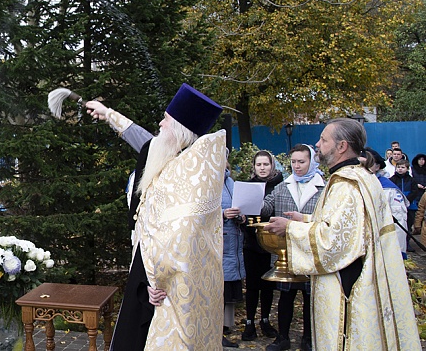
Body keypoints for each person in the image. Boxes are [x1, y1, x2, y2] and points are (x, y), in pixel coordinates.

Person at [85, 83, 225, 350]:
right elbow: (139, 137)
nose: (160, 124)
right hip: (144, 268)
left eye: (166, 120)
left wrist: (157, 278)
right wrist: (107, 113)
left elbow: (183, 234)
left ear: (181, 131)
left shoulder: (190, 174)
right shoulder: (166, 152)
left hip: (164, 284)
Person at [267, 118, 419, 351]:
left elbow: (335, 243)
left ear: (341, 146)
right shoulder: (359, 176)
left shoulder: (347, 184)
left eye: (324, 140)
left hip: (349, 287)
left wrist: (289, 228)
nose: (317, 144)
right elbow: (348, 227)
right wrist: (306, 220)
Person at [259, 144, 324, 351]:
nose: (296, 166)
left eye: (301, 162)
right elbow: (266, 206)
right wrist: (250, 202)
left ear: (312, 161)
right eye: (293, 162)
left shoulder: (325, 187)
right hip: (287, 251)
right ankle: (283, 337)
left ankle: (308, 338)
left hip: (310, 248)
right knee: (285, 295)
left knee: (309, 297)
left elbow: (328, 218)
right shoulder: (283, 186)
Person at [240, 151, 281, 341]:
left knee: (267, 284)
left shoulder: (279, 186)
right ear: (254, 167)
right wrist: (240, 218)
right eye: (259, 165)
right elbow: (241, 212)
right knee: (252, 284)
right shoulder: (247, 186)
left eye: (266, 164)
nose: (262, 168)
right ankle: (249, 322)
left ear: (272, 166)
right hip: (251, 242)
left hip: (272, 242)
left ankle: (265, 320)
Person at [363, 147, 409, 258]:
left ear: (377, 166)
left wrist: (398, 253)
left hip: (382, 251)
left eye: (368, 164)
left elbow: (399, 225)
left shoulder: (388, 189)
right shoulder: (355, 185)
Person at [221, 170, 243, 348]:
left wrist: (241, 216)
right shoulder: (205, 179)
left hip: (233, 242)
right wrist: (222, 214)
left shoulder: (231, 182)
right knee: (218, 290)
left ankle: (224, 327)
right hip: (219, 244)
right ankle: (215, 331)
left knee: (227, 291)